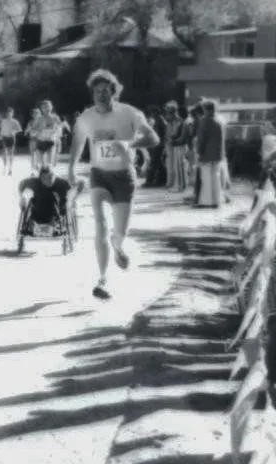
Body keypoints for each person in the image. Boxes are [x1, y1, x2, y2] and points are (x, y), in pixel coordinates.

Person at [67, 69, 159, 300]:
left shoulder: (129, 113)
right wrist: (71, 169)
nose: (101, 95)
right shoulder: (86, 117)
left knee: (119, 232)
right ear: (92, 93)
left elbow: (154, 139)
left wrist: (130, 145)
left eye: (106, 91)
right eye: (97, 91)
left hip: (124, 177)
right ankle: (102, 279)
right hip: (99, 174)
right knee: (99, 223)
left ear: (114, 93)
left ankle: (118, 246)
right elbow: (77, 144)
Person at [194, 99, 225, 207]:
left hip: (206, 154)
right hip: (217, 155)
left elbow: (201, 140)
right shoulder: (219, 122)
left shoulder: (204, 121)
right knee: (216, 178)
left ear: (206, 109)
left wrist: (198, 153)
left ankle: (206, 201)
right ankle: (217, 201)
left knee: (206, 178)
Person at [0, 107, 21, 177]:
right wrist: (0, 135)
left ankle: (10, 168)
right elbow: (1, 129)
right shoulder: (3, 121)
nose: (9, 114)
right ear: (6, 114)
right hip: (4, 138)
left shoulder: (15, 121)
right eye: (8, 113)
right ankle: (4, 167)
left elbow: (19, 129)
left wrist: (14, 131)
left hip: (11, 138)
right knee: (4, 153)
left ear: (12, 114)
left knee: (11, 153)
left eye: (10, 113)